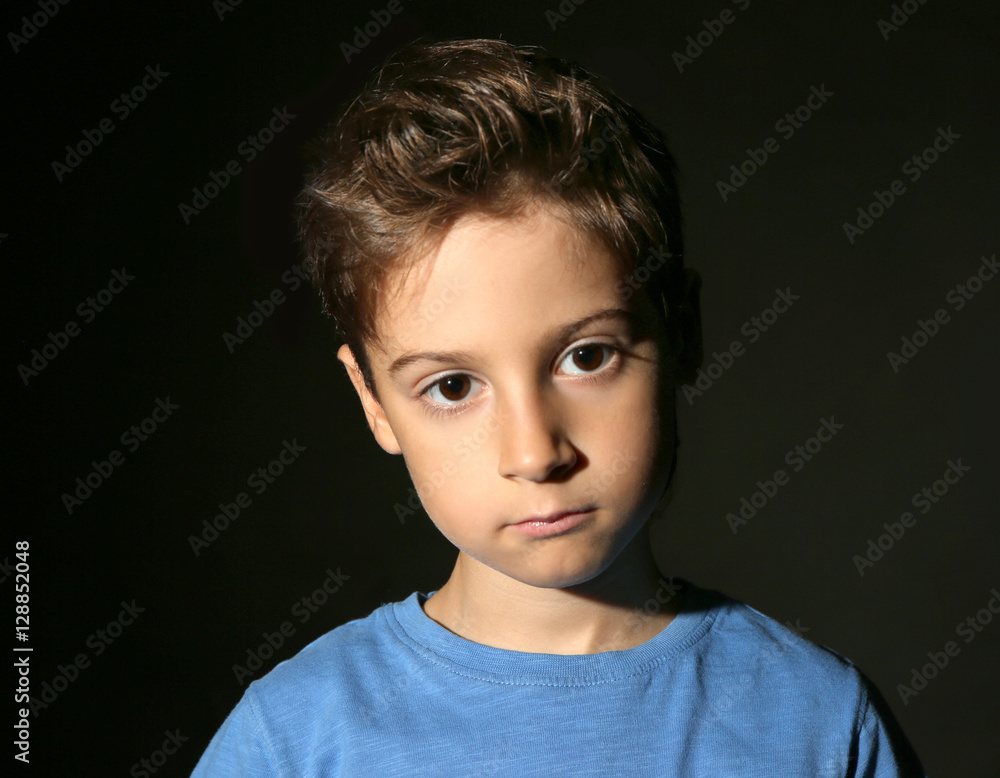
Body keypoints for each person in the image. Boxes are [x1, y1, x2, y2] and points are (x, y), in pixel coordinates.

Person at [191, 38, 926, 776]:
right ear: (374, 403)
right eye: (452, 387)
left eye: (586, 357)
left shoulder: (820, 723)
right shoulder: (292, 738)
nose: (535, 453)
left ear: (683, 333)